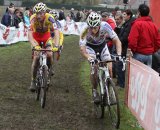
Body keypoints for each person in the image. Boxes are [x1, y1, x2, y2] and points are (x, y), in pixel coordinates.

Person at [79, 12, 122, 103]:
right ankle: (95, 91)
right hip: (90, 48)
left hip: (102, 46)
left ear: (99, 25)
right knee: (94, 68)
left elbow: (117, 40)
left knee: (110, 68)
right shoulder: (84, 30)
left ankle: (108, 90)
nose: (93, 30)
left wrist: (118, 54)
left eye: (95, 27)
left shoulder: (105, 25)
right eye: (91, 27)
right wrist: (88, 57)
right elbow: (82, 49)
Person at [28, 2, 59, 92]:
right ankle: (33, 81)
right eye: (37, 13)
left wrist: (56, 45)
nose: (38, 16)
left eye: (40, 13)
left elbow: (56, 31)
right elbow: (29, 35)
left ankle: (49, 69)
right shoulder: (33, 19)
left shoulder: (50, 18)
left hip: (46, 37)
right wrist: (34, 45)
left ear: (44, 12)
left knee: (49, 54)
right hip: (36, 38)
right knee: (36, 57)